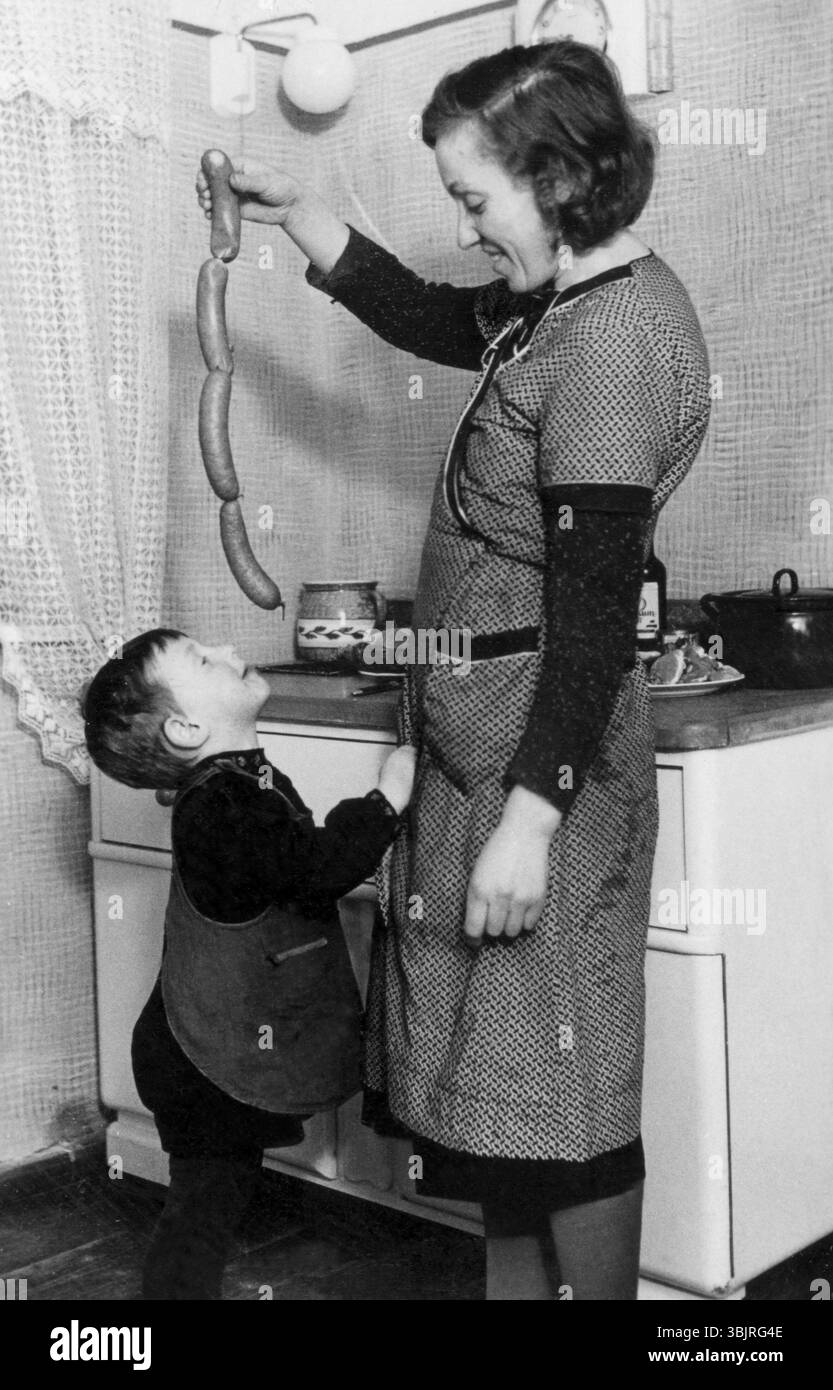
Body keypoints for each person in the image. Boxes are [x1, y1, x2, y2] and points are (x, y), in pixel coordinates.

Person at [197, 39, 711, 1300]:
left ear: (563, 180)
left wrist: (530, 821)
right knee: (498, 1100)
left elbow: (591, 616)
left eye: (478, 200)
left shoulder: (611, 345)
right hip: (487, 750)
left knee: (561, 1096)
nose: (469, 230)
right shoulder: (555, 307)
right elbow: (434, 315)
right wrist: (301, 216)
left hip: (545, 772)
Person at [82, 629, 415, 1299]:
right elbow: (318, 869)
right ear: (186, 727)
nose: (231, 653)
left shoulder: (231, 784)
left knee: (211, 1201)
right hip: (202, 1062)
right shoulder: (222, 804)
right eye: (205, 661)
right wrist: (386, 799)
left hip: (198, 1047)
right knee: (201, 1217)